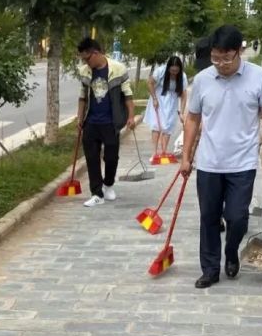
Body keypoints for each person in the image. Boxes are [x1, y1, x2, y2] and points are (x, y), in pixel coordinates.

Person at [180, 24, 262, 289]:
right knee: (209, 217)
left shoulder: (259, 77)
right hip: (209, 162)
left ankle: (231, 252)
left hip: (243, 162)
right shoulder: (204, 79)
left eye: (226, 58)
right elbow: (192, 119)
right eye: (215, 58)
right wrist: (186, 156)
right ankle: (209, 269)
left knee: (237, 217)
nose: (220, 64)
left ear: (239, 51)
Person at [76, 37, 136, 208]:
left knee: (111, 157)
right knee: (91, 157)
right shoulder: (85, 72)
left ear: (96, 53)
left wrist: (131, 116)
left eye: (87, 58)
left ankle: (108, 184)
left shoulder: (117, 69)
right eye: (83, 60)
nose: (86, 63)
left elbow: (128, 95)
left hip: (111, 122)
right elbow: (82, 96)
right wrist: (79, 118)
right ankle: (96, 193)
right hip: (91, 122)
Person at [144, 55, 188, 161]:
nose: (174, 73)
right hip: (159, 98)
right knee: (156, 125)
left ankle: (164, 151)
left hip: (172, 101)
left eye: (176, 71)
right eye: (172, 70)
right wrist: (154, 98)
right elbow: (150, 83)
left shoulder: (182, 76)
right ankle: (154, 152)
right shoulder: (160, 71)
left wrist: (181, 112)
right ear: (168, 68)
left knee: (168, 126)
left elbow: (183, 95)